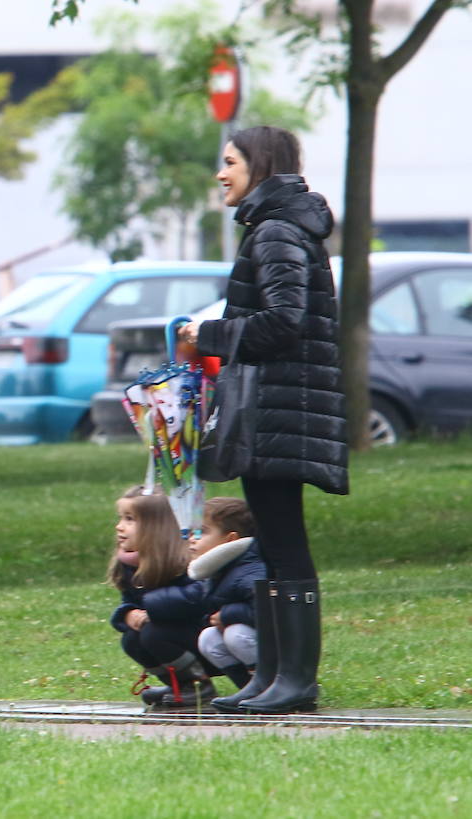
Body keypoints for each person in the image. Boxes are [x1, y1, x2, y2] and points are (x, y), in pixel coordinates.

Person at [180, 125, 347, 714]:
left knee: (285, 545)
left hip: (278, 409)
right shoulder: (275, 226)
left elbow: (283, 322)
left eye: (229, 162)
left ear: (260, 165)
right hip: (275, 409)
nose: (221, 174)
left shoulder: (276, 230)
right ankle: (273, 676)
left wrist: (210, 334)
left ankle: (294, 681)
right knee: (276, 546)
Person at [107, 486, 216, 710]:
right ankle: (181, 686)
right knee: (132, 639)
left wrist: (152, 609)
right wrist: (128, 614)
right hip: (174, 638)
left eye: (130, 519)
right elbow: (130, 601)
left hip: (210, 641)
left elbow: (198, 599)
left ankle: (199, 686)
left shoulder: (187, 563)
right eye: (121, 518)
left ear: (156, 527)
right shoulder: (131, 566)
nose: (120, 527)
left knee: (153, 633)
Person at [185, 497, 266, 709]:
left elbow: (267, 613)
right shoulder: (217, 570)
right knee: (208, 639)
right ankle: (247, 687)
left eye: (201, 532)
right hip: (251, 637)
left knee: (235, 634)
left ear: (230, 540)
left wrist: (227, 615)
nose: (192, 538)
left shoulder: (250, 571)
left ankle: (268, 684)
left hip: (274, 646)